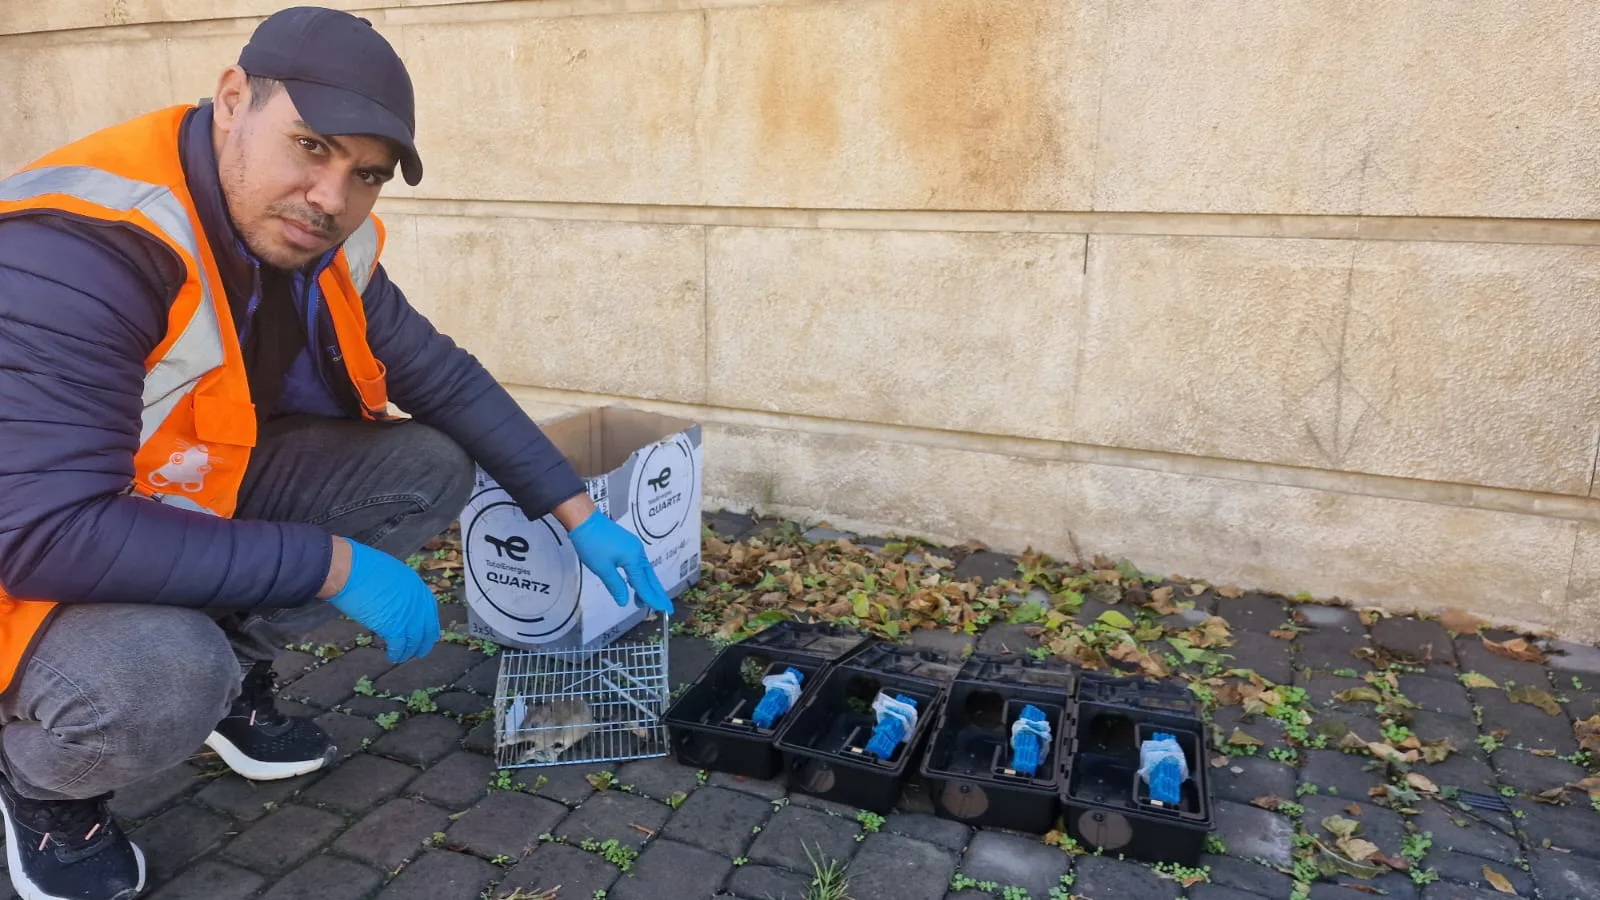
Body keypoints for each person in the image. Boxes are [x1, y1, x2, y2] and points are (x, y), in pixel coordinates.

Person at [0, 7, 673, 899]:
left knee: (424, 464)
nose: (330, 197)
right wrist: (328, 564)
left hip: (158, 499)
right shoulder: (81, 252)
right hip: (31, 555)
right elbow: (45, 536)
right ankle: (44, 787)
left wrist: (578, 512)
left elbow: (442, 377)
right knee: (164, 672)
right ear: (232, 99)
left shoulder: (312, 242)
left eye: (365, 174)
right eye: (311, 146)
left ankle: (230, 688)